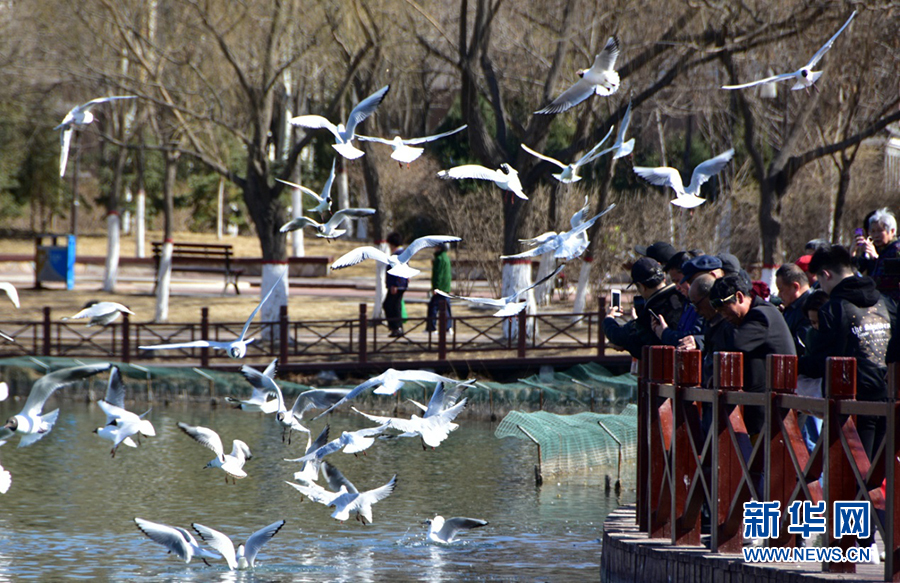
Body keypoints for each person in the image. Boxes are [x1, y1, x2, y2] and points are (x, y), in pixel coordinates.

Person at [801, 244, 894, 460]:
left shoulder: (833, 308)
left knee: (851, 474)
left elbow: (822, 360)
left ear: (825, 274)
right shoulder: (886, 302)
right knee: (883, 474)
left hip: (851, 401)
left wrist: (797, 365)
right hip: (889, 394)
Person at [709, 274, 796, 437]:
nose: (723, 315)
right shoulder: (760, 312)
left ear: (739, 297)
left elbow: (735, 346)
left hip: (768, 414)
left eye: (723, 309)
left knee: (760, 460)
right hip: (765, 408)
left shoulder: (760, 316)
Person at [603, 257, 685, 359]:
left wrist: (609, 319)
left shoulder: (652, 310)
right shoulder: (682, 297)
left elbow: (618, 336)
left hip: (665, 369)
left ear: (642, 286)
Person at [854, 207, 900, 304]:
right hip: (877, 300)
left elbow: (886, 281)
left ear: (892, 231)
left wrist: (876, 259)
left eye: (880, 231)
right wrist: (853, 254)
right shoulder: (874, 247)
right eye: (873, 231)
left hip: (892, 302)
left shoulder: (896, 250)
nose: (876, 235)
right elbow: (856, 271)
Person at [775, 263, 812, 355]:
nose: (779, 295)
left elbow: (801, 345)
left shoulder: (811, 307)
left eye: (781, 290)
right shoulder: (792, 306)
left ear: (795, 287)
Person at [383, 232, 409, 337]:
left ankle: (396, 327)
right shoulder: (402, 253)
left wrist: (395, 284)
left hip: (397, 285)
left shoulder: (397, 255)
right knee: (393, 305)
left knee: (391, 305)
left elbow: (397, 270)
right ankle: (396, 327)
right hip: (399, 284)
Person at [426, 243, 452, 333]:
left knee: (433, 307)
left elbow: (438, 275)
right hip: (446, 287)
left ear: (440, 248)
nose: (434, 248)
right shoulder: (446, 258)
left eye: (436, 247)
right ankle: (448, 327)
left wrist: (435, 287)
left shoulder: (439, 259)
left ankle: (431, 327)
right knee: (446, 308)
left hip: (439, 288)